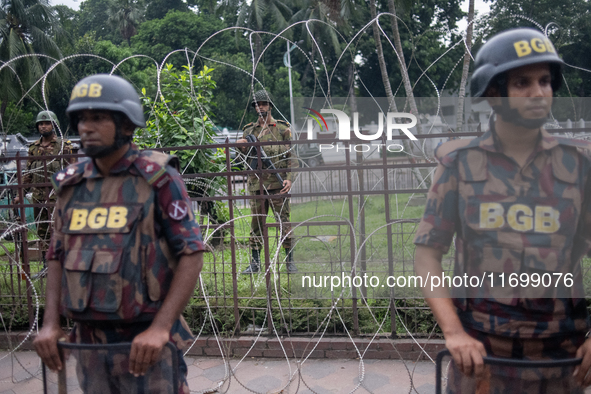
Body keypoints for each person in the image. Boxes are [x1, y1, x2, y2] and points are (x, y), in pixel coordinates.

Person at [414, 28, 591, 392]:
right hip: (482, 358)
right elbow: (427, 255)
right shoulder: (459, 164)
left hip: (562, 359)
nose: (539, 93)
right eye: (522, 83)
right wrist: (453, 333)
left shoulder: (578, 165)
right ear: (494, 94)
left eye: (545, 81)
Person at [32, 74, 205, 394]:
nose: (86, 127)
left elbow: (191, 253)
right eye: (81, 118)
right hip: (88, 342)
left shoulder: (157, 179)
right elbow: (56, 253)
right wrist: (51, 323)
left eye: (98, 117)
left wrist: (160, 328)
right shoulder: (71, 185)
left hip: (144, 340)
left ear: (126, 125)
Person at [237, 89, 299, 274]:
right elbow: (244, 158)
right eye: (257, 105)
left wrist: (289, 179)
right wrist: (240, 147)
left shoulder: (282, 129)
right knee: (256, 224)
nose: (260, 107)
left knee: (283, 222)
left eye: (263, 104)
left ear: (270, 105)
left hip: (277, 185)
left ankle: (290, 263)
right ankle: (255, 263)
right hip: (257, 186)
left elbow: (292, 157)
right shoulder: (249, 130)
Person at [14, 111, 72, 270]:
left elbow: (73, 170)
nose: (43, 126)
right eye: (40, 124)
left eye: (46, 123)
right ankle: (48, 266)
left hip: (58, 196)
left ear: (54, 125)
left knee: (59, 229)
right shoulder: (33, 148)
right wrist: (21, 194)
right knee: (43, 232)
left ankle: (64, 263)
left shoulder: (63, 146)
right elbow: (29, 174)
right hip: (39, 196)